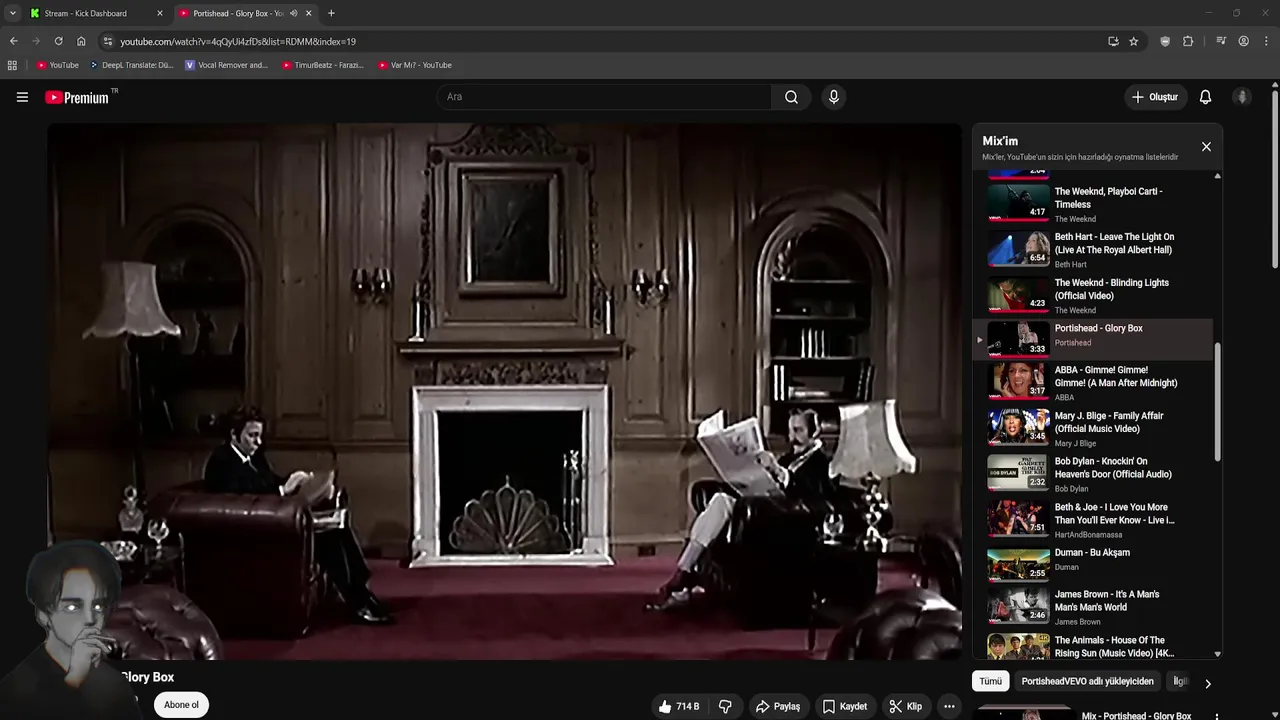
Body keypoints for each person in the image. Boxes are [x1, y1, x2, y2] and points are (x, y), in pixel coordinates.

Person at [203, 405, 392, 625]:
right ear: (234, 435)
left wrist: (298, 482)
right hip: (254, 533)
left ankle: (363, 594)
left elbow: (270, 482)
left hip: (275, 521)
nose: (258, 442)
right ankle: (358, 604)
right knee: (328, 539)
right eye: (252, 436)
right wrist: (283, 490)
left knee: (338, 527)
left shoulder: (254, 457)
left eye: (259, 436)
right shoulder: (221, 462)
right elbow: (241, 502)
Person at [646, 409, 835, 611]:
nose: (792, 438)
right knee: (720, 501)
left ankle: (683, 582)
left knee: (729, 512)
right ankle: (684, 572)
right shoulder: (789, 458)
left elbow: (815, 496)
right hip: (760, 508)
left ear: (814, 432)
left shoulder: (822, 463)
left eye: (798, 431)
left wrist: (779, 471)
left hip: (787, 520)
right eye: (790, 431)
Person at [0, 541, 141, 719]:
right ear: (43, 614)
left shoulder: (114, 684)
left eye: (98, 606)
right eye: (73, 607)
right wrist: (73, 680)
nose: (90, 619)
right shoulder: (16, 688)